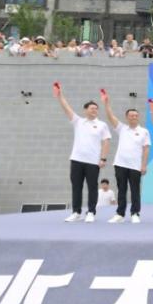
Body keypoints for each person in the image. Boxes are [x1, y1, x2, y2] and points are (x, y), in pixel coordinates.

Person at [55, 84, 111, 223]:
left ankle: (91, 212)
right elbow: (66, 108)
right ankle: (76, 212)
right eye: (92, 108)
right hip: (76, 160)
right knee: (76, 187)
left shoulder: (102, 125)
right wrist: (60, 95)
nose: (94, 110)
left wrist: (103, 159)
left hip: (93, 161)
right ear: (85, 110)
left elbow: (106, 142)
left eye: (96, 109)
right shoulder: (78, 121)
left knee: (92, 188)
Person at [102, 92, 151, 223]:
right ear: (127, 117)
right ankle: (120, 214)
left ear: (138, 117)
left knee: (135, 190)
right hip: (120, 164)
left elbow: (146, 149)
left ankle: (135, 213)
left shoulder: (144, 132)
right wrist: (106, 104)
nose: (133, 117)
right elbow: (110, 117)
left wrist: (144, 165)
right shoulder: (122, 128)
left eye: (136, 115)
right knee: (121, 190)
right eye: (131, 115)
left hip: (135, 166)